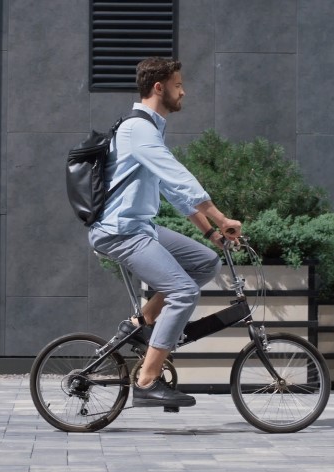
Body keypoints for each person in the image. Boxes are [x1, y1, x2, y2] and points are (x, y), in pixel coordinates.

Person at [89, 57, 242, 408]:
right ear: (159, 88)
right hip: (120, 232)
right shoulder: (137, 129)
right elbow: (178, 177)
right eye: (178, 84)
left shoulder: (151, 129)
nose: (183, 91)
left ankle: (139, 322)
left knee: (205, 262)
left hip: (140, 227)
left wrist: (210, 234)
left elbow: (172, 192)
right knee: (184, 292)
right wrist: (221, 218)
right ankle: (146, 380)